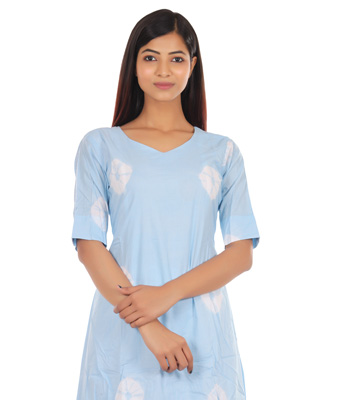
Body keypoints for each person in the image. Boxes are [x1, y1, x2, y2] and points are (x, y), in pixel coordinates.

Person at [71, 8, 260, 400]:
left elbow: (241, 253)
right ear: (134, 65)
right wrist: (149, 325)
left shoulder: (222, 153)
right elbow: (89, 245)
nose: (163, 70)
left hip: (203, 335)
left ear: (192, 65)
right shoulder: (100, 146)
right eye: (150, 57)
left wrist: (167, 294)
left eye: (175, 59)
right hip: (125, 328)